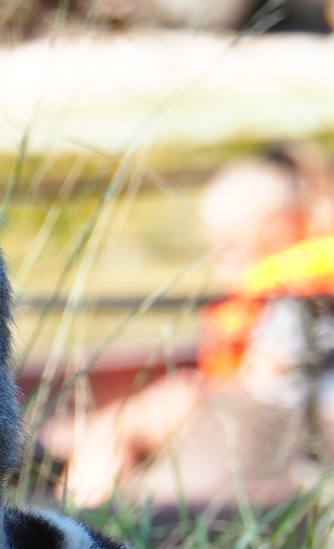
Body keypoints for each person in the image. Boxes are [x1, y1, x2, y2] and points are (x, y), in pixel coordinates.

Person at [41, 144, 334, 509]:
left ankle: (84, 510)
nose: (218, 267)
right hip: (264, 422)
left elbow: (271, 381)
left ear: (278, 233)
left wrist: (199, 393)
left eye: (226, 250)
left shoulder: (296, 300)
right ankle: (80, 477)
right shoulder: (300, 281)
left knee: (125, 423)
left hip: (271, 434)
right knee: (120, 422)